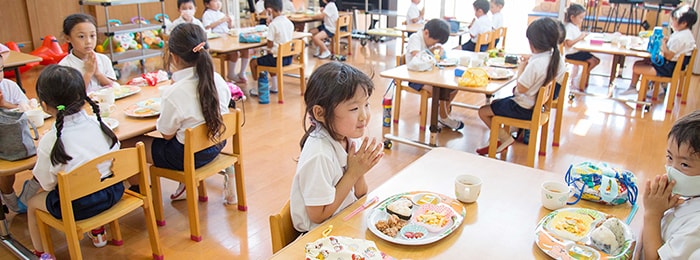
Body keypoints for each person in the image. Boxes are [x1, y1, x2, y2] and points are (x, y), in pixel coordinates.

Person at [124, 23, 231, 202]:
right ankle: (179, 185)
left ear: (174, 57)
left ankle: (141, 192)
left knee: (127, 143)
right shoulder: (217, 79)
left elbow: (166, 135)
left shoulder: (175, 93)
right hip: (216, 143)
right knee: (184, 132)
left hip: (188, 157)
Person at [26, 65, 122, 255]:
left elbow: (46, 184)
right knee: (91, 182)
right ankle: (98, 231)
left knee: (32, 203)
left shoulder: (50, 141)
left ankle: (41, 253)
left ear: (44, 106)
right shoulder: (99, 125)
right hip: (113, 193)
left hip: (78, 208)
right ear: (83, 96)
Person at [290, 62, 383, 232]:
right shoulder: (319, 154)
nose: (364, 116)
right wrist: (353, 173)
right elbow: (317, 215)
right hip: (319, 236)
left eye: (366, 105)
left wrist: (359, 170)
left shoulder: (346, 137)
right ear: (320, 113)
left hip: (343, 222)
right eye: (354, 108)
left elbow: (361, 194)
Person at [476, 17, 564, 155]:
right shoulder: (556, 58)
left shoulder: (536, 64)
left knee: (483, 111)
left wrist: (522, 66)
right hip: (536, 106)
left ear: (532, 43)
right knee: (496, 103)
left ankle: (505, 138)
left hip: (523, 108)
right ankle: (500, 137)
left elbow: (521, 88)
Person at [642, 110, 700, 259]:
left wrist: (652, 214)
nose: (672, 170)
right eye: (669, 157)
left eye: (685, 164)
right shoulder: (689, 196)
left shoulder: (696, 225)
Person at [620, 5, 697, 96]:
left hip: (669, 69)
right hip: (672, 66)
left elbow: (668, 56)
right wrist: (667, 40)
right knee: (644, 61)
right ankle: (645, 87)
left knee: (636, 66)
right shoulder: (685, 34)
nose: (671, 22)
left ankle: (653, 86)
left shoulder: (680, 37)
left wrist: (663, 43)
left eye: (674, 20)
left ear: (684, 23)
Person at [405, 19, 463, 130]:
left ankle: (443, 113)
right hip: (415, 78)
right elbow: (417, 56)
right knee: (439, 90)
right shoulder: (415, 38)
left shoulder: (427, 39)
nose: (435, 45)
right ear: (426, 33)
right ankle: (443, 116)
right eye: (435, 41)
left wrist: (438, 54)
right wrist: (433, 53)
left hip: (428, 75)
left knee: (453, 88)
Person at [0, 54, 31, 214]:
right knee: (6, 170)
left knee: (39, 160)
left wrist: (5, 105)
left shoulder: (8, 86)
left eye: (0, 70)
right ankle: (10, 199)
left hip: (16, 138)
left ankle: (19, 201)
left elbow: (27, 108)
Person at [58, 14, 117, 93]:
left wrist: (98, 73)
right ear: (68, 38)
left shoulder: (103, 59)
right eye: (81, 36)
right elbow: (73, 95)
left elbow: (114, 86)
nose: (88, 41)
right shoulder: (64, 66)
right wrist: (88, 73)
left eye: (92, 35)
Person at [249, 0, 294, 96]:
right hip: (288, 58)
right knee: (268, 57)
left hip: (277, 59)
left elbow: (269, 45)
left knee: (253, 62)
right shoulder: (289, 23)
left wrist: (269, 25)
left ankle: (259, 87)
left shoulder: (273, 25)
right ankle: (274, 86)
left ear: (269, 10)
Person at [202, 0, 250, 83]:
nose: (218, 3)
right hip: (217, 40)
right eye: (215, 1)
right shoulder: (207, 14)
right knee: (234, 52)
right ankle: (231, 74)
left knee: (245, 49)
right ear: (207, 4)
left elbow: (229, 27)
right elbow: (207, 27)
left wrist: (230, 22)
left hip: (227, 37)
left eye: (219, 1)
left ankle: (242, 72)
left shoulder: (221, 14)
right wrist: (221, 20)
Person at [563, 4, 600, 92]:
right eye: (580, 18)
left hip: (577, 51)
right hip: (571, 53)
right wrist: (580, 37)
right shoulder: (568, 27)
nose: (582, 20)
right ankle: (581, 77)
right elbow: (568, 43)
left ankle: (583, 76)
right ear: (572, 17)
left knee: (596, 60)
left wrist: (583, 36)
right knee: (593, 61)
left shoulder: (575, 27)